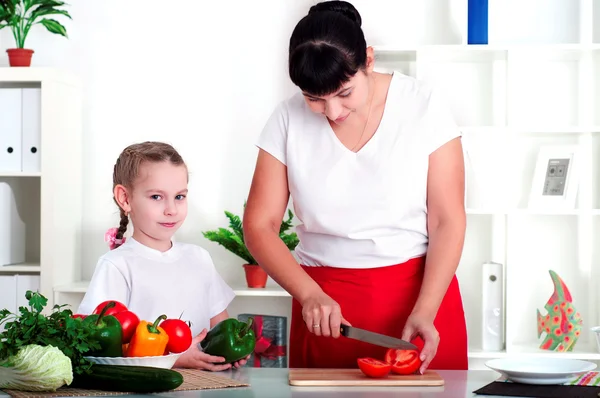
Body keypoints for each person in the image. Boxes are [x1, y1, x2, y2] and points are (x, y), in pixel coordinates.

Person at [242, 0, 468, 373]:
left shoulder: (423, 106)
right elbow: (258, 225)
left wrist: (426, 310)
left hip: (421, 301)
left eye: (344, 93)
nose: (332, 112)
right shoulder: (286, 119)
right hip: (325, 312)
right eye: (314, 99)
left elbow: (447, 220)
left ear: (369, 61)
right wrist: (309, 294)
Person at [78, 141, 248, 371]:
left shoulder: (199, 258)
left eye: (179, 196)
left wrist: (232, 350)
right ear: (125, 198)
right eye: (157, 197)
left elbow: (221, 325)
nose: (171, 209)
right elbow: (101, 345)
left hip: (206, 385)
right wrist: (176, 359)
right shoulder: (117, 265)